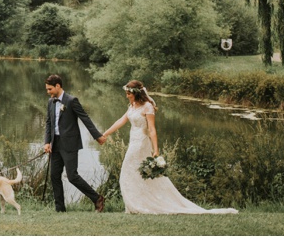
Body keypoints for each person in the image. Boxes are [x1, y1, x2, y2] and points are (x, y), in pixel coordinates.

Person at [101, 80, 238, 215]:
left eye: (129, 94)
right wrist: (105, 134)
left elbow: (152, 130)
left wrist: (156, 150)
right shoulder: (132, 105)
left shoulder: (147, 106)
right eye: (126, 93)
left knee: (128, 169)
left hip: (142, 142)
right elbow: (121, 120)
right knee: (134, 172)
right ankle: (137, 203)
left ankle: (139, 204)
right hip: (133, 140)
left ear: (136, 93)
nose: (127, 96)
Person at [43, 73, 107, 212]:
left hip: (70, 144)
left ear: (58, 86)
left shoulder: (72, 100)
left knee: (72, 176)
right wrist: (47, 142)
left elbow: (85, 119)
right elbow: (49, 123)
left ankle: (97, 198)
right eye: (47, 89)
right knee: (54, 176)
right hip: (55, 144)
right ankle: (60, 209)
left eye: (50, 89)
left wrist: (97, 136)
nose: (48, 92)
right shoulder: (50, 102)